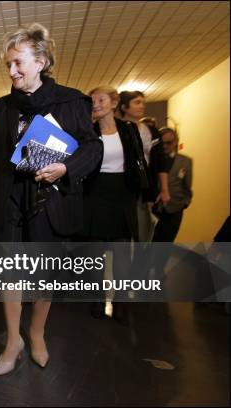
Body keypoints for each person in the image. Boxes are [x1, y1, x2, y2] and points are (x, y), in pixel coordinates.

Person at [0, 23, 102, 376]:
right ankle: (12, 343)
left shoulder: (71, 101)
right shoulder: (4, 107)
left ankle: (36, 334)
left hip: (49, 200)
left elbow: (92, 147)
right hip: (9, 201)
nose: (11, 71)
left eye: (18, 63)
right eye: (8, 65)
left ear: (41, 62)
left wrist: (64, 169)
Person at [85, 86, 148, 321]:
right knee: (94, 255)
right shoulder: (88, 132)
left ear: (114, 103)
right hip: (94, 196)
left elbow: (138, 160)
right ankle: (96, 300)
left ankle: (121, 302)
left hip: (122, 196)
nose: (96, 104)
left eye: (100, 100)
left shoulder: (129, 130)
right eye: (92, 102)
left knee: (122, 255)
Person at [118, 91, 170, 241]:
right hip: (123, 184)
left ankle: (139, 261)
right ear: (124, 107)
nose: (142, 106)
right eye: (137, 102)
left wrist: (164, 189)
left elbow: (160, 162)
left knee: (143, 229)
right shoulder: (117, 129)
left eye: (143, 102)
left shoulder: (152, 132)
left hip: (145, 186)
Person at [151, 127, 193, 280]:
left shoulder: (185, 161)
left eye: (169, 143)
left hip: (176, 207)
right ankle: (147, 268)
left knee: (167, 241)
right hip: (155, 208)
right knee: (152, 241)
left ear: (175, 142)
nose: (165, 146)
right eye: (162, 143)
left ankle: (159, 270)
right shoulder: (154, 160)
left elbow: (187, 186)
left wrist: (185, 203)